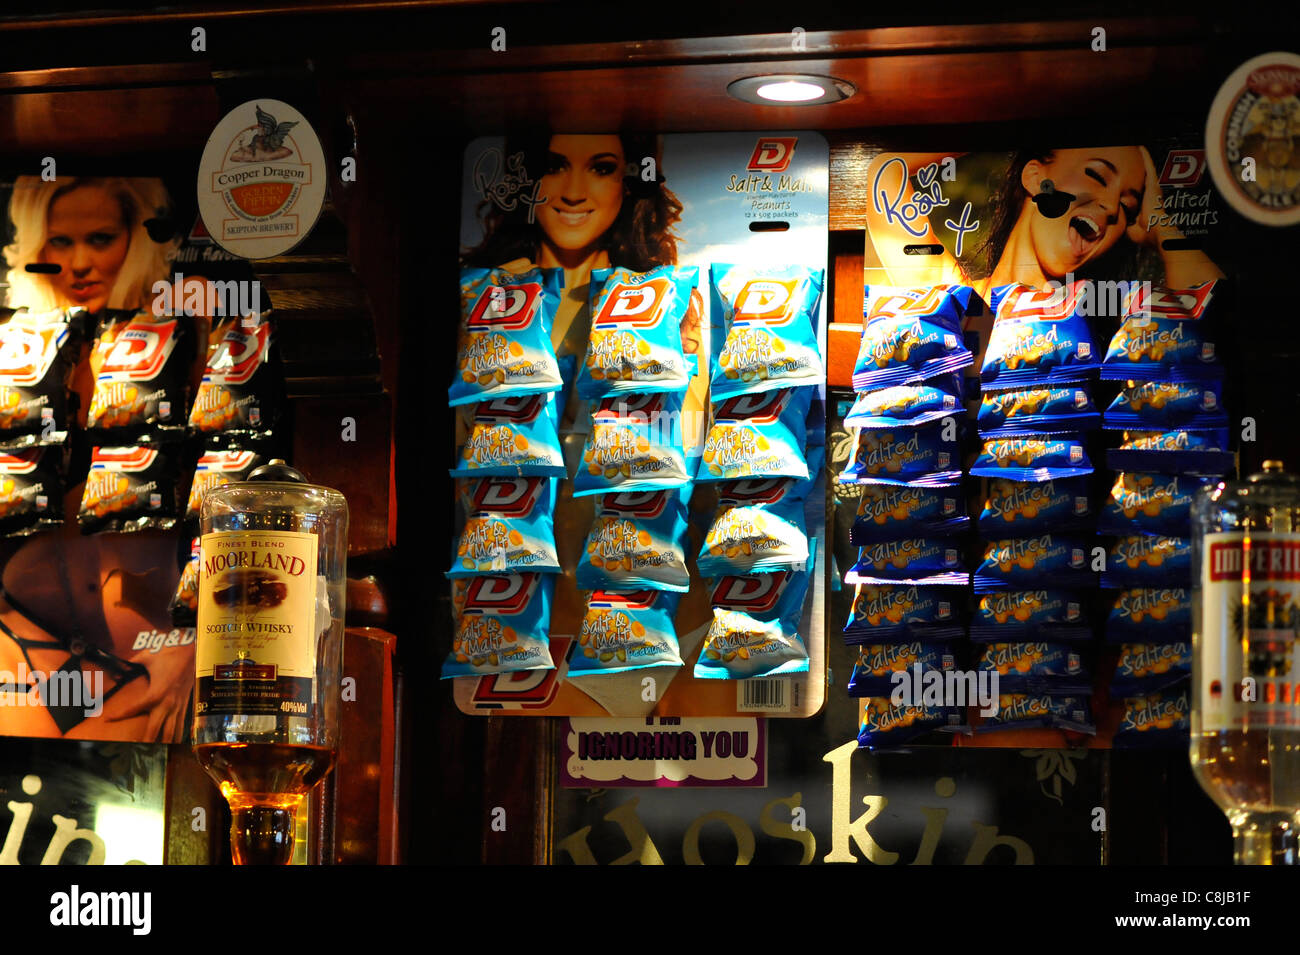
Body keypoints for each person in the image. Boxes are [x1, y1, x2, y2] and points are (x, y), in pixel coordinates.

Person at [864, 146, 1225, 342]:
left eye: (1128, 207)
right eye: (1097, 175)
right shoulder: (955, 298)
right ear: (1036, 177)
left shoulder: (1108, 328)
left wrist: (1160, 224)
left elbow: (1216, 311)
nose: (1111, 208)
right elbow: (884, 171)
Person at [464, 133, 706, 416]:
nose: (574, 192)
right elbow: (462, 435)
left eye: (601, 169)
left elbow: (688, 431)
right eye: (553, 167)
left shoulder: (666, 302)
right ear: (526, 179)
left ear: (629, 182)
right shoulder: (484, 296)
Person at [3, 176, 176, 314]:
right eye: (60, 241)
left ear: (136, 237)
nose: (80, 265)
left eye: (100, 239)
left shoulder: (181, 304)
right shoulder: (12, 329)